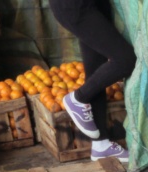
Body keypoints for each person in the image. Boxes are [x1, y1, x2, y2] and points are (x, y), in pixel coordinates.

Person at [47, 0, 135, 163]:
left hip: (94, 4)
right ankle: (78, 98)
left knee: (95, 67)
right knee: (126, 59)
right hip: (75, 6)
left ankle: (101, 145)